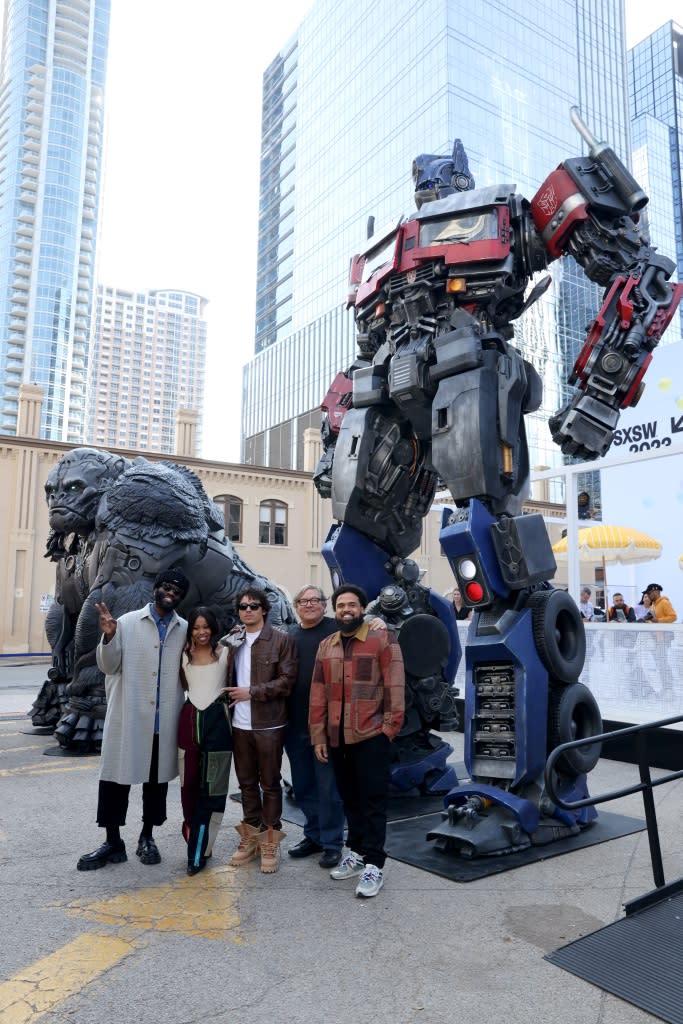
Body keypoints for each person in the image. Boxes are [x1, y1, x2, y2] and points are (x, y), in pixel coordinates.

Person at [77, 568, 189, 871]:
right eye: (166, 587)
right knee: (115, 780)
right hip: (128, 717)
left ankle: (147, 836)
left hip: (163, 722)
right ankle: (113, 841)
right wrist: (110, 636)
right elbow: (109, 667)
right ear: (156, 588)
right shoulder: (125, 623)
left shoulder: (184, 628)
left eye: (177, 591)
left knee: (155, 785)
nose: (171, 593)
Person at [310, 584, 405, 899]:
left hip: (371, 736)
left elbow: (395, 686)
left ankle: (374, 864)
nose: (345, 610)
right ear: (334, 610)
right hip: (337, 736)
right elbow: (318, 694)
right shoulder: (327, 645)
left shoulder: (381, 639)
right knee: (349, 799)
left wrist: (388, 730)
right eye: (340, 605)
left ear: (363, 608)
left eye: (352, 604)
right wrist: (319, 735)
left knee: (373, 802)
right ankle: (356, 851)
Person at [222, 587, 297, 873]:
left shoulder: (281, 640)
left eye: (254, 606)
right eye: (243, 606)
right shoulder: (233, 639)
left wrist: (251, 692)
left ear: (264, 609)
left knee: (270, 783)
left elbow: (287, 681)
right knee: (246, 784)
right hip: (238, 724)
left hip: (269, 724)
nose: (248, 610)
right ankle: (250, 838)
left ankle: (270, 840)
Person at [285, 585, 345, 869]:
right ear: (296, 606)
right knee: (303, 785)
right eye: (302, 600)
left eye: (314, 600)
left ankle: (333, 843)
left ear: (324, 605)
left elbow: (373, 632)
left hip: (327, 726)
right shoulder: (289, 636)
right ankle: (314, 835)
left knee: (328, 786)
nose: (308, 605)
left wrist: (379, 620)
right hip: (294, 724)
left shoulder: (338, 631)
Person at [178, 607, 232, 876]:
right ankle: (192, 837)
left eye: (206, 627)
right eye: (196, 627)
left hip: (218, 724)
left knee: (213, 790)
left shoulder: (225, 652)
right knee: (188, 788)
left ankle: (200, 852)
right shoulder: (182, 654)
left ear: (213, 627)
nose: (201, 632)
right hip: (188, 723)